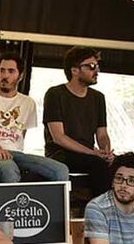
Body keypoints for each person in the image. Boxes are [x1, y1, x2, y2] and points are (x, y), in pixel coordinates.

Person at [0, 52, 69, 183]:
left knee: (60, 170)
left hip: (15, 153)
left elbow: (21, 132)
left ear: (21, 76)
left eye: (11, 71)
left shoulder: (28, 102)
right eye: (2, 70)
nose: (5, 76)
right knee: (8, 169)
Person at [43, 46, 113, 195]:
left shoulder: (98, 97)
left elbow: (102, 134)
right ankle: (103, 208)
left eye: (97, 66)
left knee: (125, 164)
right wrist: (93, 153)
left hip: (89, 154)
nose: (97, 71)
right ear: (74, 70)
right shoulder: (55, 94)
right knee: (97, 164)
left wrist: (106, 151)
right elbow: (58, 137)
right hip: (60, 154)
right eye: (91, 66)